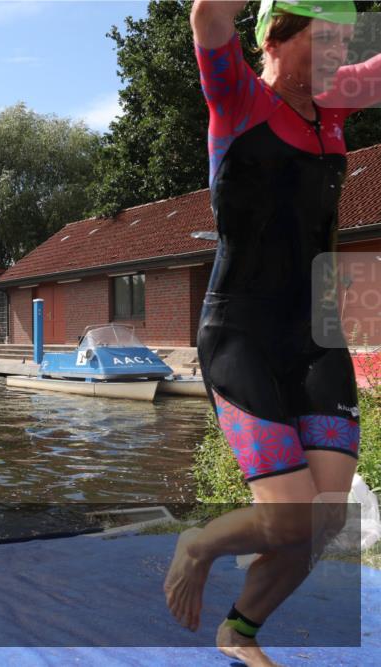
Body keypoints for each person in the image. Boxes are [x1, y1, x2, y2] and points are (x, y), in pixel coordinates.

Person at [166, 2, 381, 665]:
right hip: (241, 333)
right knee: (288, 518)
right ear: (276, 37)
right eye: (325, 40)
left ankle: (240, 630)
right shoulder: (238, 99)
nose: (339, 56)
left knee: (324, 520)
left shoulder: (335, 108)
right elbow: (207, 16)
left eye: (346, 43)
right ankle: (198, 544)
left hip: (316, 338)